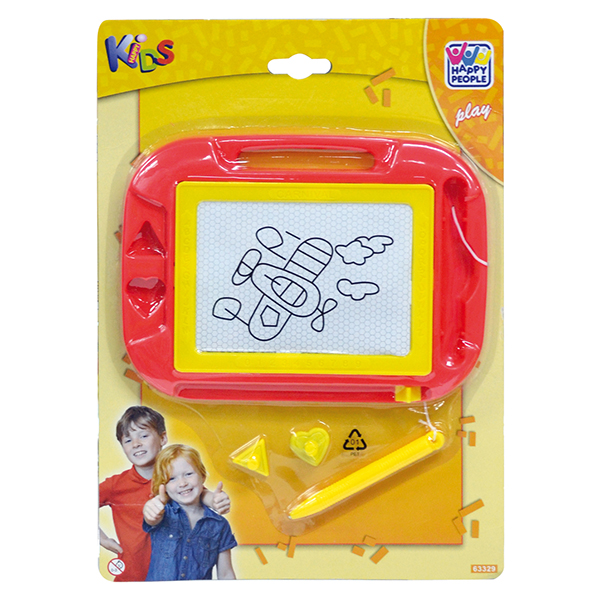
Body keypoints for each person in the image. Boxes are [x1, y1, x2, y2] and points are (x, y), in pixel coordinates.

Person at [99, 406, 231, 582]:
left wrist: (214, 500)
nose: (136, 444)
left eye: (143, 436)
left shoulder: (177, 480)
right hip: (130, 580)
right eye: (128, 440)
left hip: (173, 579)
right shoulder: (116, 485)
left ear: (163, 438)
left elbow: (200, 493)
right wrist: (102, 539)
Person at [143, 444, 237, 580]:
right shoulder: (161, 513)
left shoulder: (219, 525)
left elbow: (226, 574)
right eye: (172, 479)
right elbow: (151, 519)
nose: (182, 483)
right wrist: (150, 511)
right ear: (164, 486)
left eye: (188, 474)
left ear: (202, 476)